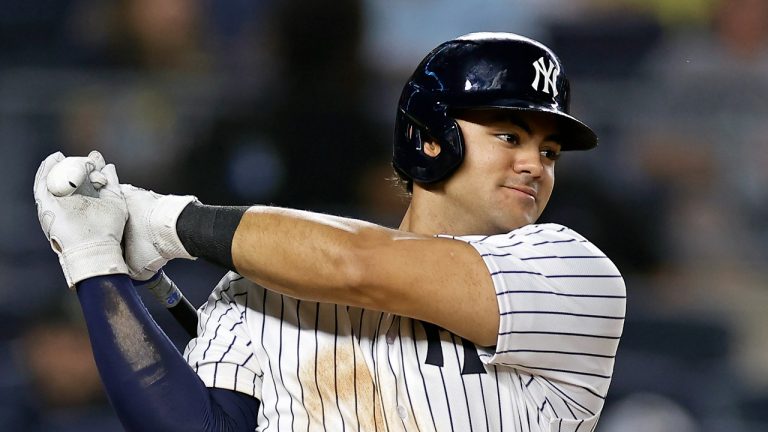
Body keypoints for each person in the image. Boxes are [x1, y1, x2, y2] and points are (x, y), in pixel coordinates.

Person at [33, 32, 626, 431]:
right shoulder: (255, 290)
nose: (535, 164)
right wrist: (94, 263)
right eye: (509, 136)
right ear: (429, 137)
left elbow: (359, 266)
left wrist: (168, 223)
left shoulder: (571, 272)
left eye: (549, 151)